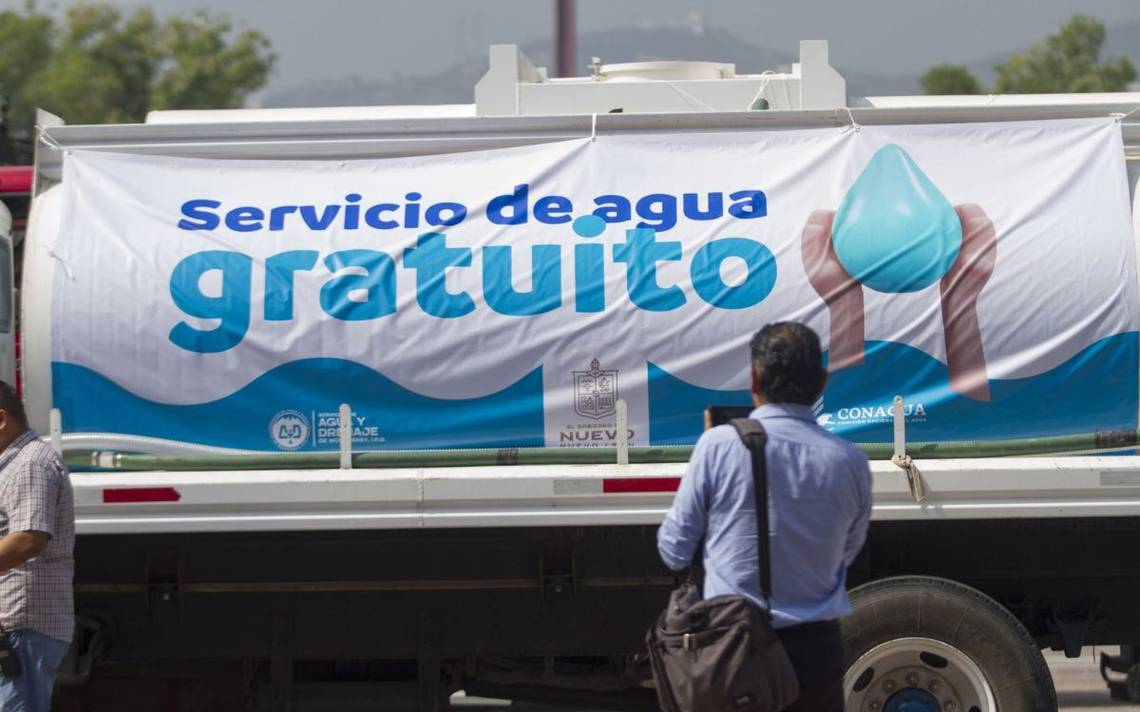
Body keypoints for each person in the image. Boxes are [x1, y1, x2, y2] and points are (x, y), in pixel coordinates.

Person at [657, 322, 872, 712]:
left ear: (754, 378)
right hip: (817, 654)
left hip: (735, 650)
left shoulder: (719, 445)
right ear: (821, 383)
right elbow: (846, 552)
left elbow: (673, 550)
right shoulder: (851, 461)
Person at [0, 382, 74, 711]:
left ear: (1, 420)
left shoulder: (30, 465)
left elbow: (28, 539)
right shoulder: (15, 464)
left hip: (21, 625)